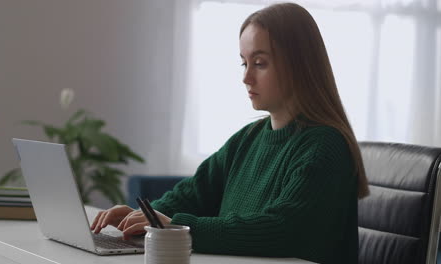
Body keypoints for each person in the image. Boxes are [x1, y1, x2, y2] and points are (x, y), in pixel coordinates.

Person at [91, 2, 369, 264]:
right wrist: (144, 216)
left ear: (299, 65)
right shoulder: (248, 138)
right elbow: (192, 194)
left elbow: (284, 231)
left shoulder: (325, 146)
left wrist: (177, 227)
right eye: (244, 63)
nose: (246, 77)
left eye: (259, 63)